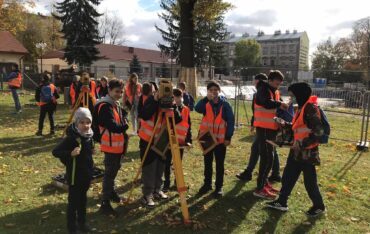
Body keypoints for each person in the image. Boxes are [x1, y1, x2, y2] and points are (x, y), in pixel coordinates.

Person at [267, 82, 326, 217]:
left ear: (300, 94)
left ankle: (319, 206)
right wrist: (284, 123)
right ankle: (282, 202)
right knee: (288, 176)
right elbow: (298, 128)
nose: (290, 98)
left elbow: (319, 132)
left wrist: (302, 144)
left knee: (309, 182)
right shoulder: (301, 107)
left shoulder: (310, 108)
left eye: (292, 95)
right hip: (296, 150)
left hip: (307, 152)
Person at [52, 107, 94, 234]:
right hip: (75, 177)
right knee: (73, 203)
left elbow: (88, 151)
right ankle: (72, 228)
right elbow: (56, 151)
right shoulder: (71, 138)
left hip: (86, 175)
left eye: (88, 122)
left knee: (83, 201)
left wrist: (91, 151)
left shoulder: (89, 136)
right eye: (82, 122)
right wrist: (70, 153)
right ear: (76, 123)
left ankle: (82, 223)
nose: (85, 125)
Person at [138, 82, 180, 206]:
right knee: (149, 168)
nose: (164, 93)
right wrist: (156, 101)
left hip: (162, 140)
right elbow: (144, 115)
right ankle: (147, 195)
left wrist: (173, 107)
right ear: (157, 91)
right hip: (148, 141)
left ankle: (157, 190)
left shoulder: (170, 102)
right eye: (162, 90)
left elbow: (177, 119)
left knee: (160, 166)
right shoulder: (151, 100)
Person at [236, 73, 281, 182]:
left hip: (265, 127)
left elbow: (259, 109)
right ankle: (274, 174)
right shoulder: (271, 91)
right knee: (268, 150)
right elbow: (256, 110)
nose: (255, 84)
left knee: (263, 151)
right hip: (266, 126)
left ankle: (254, 175)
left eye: (255, 82)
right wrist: (253, 123)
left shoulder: (263, 92)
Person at [195, 81, 235, 198]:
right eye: (211, 90)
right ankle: (207, 184)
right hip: (207, 139)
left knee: (219, 164)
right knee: (207, 163)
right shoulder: (206, 103)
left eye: (215, 90)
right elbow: (197, 109)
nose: (213, 92)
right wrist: (205, 99)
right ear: (208, 92)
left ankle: (219, 187)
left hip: (220, 141)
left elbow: (231, 121)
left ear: (219, 91)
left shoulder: (225, 105)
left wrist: (228, 137)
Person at [253, 70, 289, 200]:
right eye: (276, 83)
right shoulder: (263, 90)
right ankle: (259, 188)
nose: (278, 85)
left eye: (280, 83)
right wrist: (280, 104)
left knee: (270, 157)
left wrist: (283, 103)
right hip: (264, 129)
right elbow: (267, 103)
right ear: (270, 80)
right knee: (267, 158)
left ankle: (264, 183)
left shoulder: (274, 90)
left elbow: (276, 102)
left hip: (271, 129)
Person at [95, 79, 128, 217]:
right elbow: (112, 126)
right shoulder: (105, 106)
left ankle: (112, 193)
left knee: (113, 171)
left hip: (117, 145)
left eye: (121, 92)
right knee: (109, 174)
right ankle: (105, 203)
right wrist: (125, 126)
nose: (119, 94)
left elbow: (117, 120)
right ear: (109, 91)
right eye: (116, 91)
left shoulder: (114, 104)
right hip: (110, 146)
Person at [163, 88, 192, 192]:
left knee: (177, 163)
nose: (178, 99)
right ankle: (166, 183)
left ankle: (177, 182)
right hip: (169, 140)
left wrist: (189, 140)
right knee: (167, 163)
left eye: (179, 97)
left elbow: (189, 126)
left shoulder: (186, 109)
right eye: (175, 97)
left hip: (181, 141)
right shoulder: (170, 109)